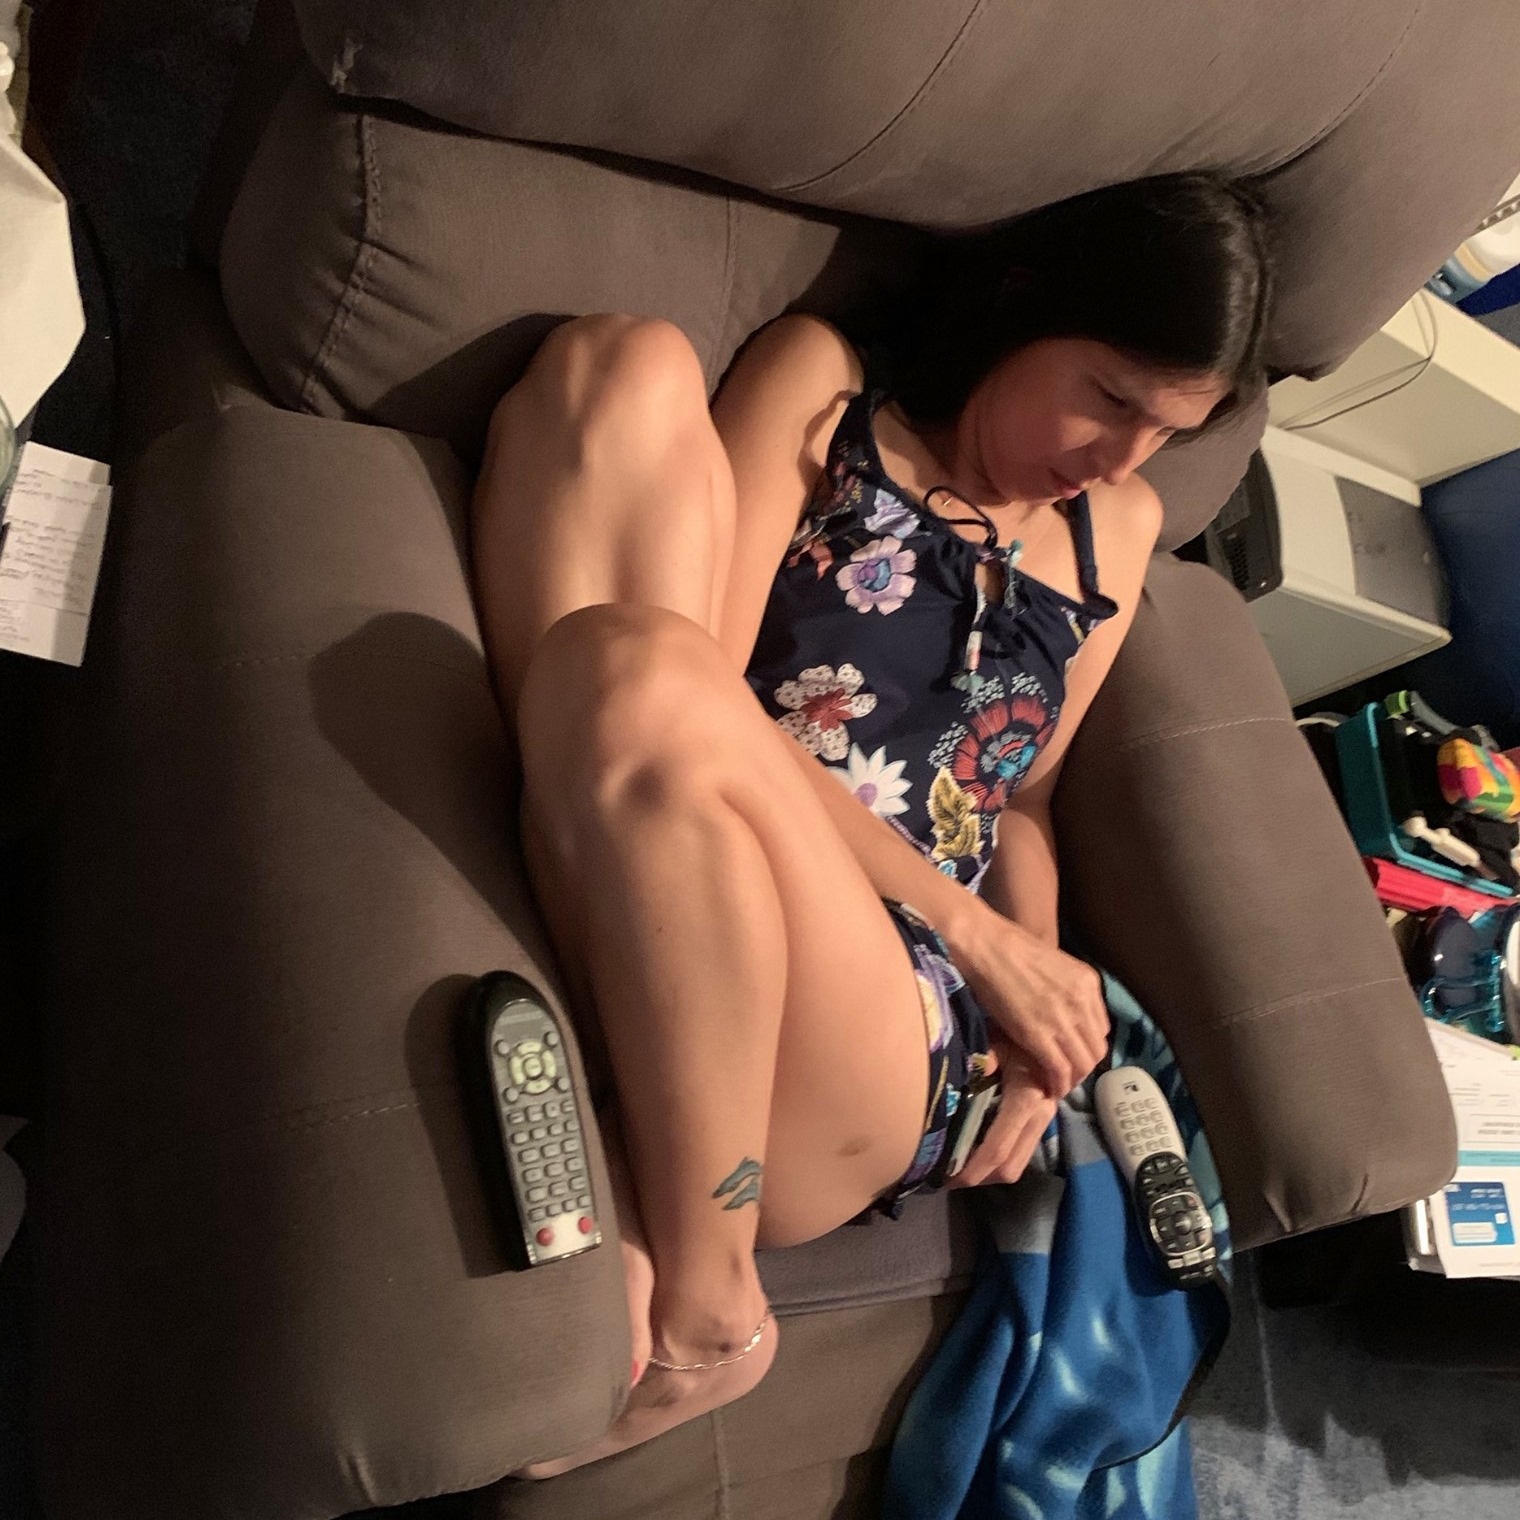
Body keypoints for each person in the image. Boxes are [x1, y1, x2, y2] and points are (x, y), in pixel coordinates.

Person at [467, 172, 1274, 1475]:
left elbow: (1021, 797)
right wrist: (989, 936)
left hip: (890, 1013)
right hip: (697, 826)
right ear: (1026, 306)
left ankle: (710, 1312)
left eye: (1165, 435)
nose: (1117, 458)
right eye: (1110, 397)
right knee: (621, 368)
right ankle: (640, 1067)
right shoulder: (827, 386)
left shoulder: (1115, 530)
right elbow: (705, 684)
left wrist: (1033, 991)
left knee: (641, 680)